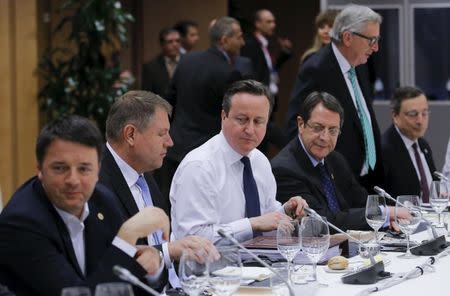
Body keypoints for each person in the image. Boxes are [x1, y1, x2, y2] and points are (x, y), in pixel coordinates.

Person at [0, 116, 169, 295]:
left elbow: (120, 281)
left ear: (98, 170)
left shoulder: (101, 201)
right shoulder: (21, 223)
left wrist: (152, 268)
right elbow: (77, 292)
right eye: (60, 168)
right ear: (40, 170)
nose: (73, 180)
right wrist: (127, 236)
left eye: (84, 169)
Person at [99, 91, 218, 288]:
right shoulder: (98, 185)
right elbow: (109, 261)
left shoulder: (144, 174)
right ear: (130, 135)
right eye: (162, 133)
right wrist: (168, 250)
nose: (170, 142)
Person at [170, 80, 307, 243]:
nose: (250, 130)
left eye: (258, 121)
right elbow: (192, 239)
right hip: (209, 267)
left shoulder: (259, 160)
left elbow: (267, 216)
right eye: (242, 119)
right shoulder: (199, 166)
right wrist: (252, 225)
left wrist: (285, 212)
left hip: (260, 263)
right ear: (223, 116)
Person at [272, 92, 407, 231]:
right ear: (301, 124)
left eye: (332, 130)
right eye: (318, 128)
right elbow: (322, 222)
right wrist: (385, 214)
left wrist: (386, 219)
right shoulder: (284, 169)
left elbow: (360, 201)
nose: (324, 137)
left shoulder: (335, 159)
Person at [286, 5, 384, 192]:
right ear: (348, 37)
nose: (376, 47)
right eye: (371, 40)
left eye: (377, 40)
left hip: (367, 179)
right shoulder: (316, 68)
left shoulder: (360, 65)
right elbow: (295, 126)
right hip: (333, 183)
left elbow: (363, 118)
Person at [160, 17, 245, 200]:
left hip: (176, 146)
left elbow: (168, 101)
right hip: (206, 156)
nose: (242, 42)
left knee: (171, 208)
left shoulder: (186, 61)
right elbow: (232, 116)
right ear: (224, 40)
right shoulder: (228, 73)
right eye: (238, 37)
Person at [382, 86, 437, 202]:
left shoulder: (423, 145)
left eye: (424, 113)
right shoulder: (384, 150)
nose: (420, 121)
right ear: (395, 116)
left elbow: (434, 187)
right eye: (413, 114)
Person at [240, 9, 292, 98]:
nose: (273, 25)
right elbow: (252, 74)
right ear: (258, 24)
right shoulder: (250, 45)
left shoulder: (266, 44)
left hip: (269, 95)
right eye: (269, 22)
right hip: (259, 96)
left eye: (273, 22)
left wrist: (284, 53)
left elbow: (269, 68)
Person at [141, 28, 181, 97]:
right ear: (162, 44)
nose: (175, 44)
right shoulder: (150, 67)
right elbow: (147, 95)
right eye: (170, 42)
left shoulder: (189, 63)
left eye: (177, 41)